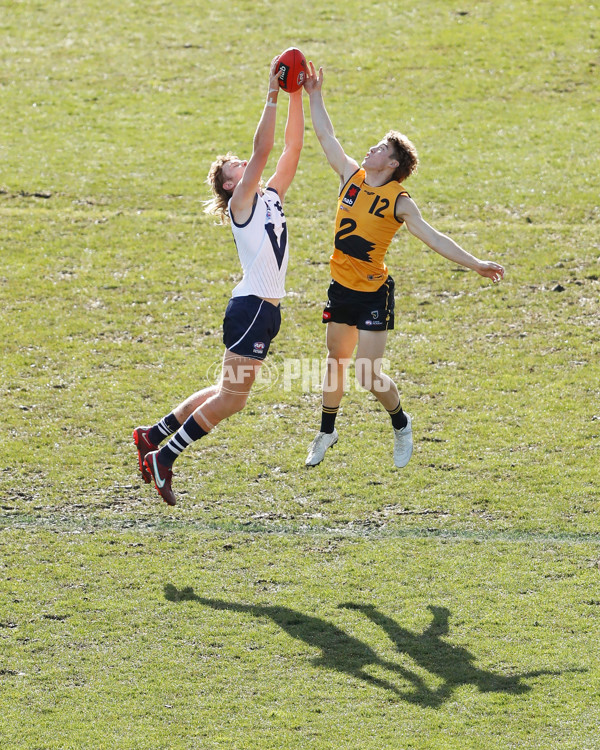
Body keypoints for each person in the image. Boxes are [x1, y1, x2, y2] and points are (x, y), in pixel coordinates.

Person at [303, 61, 505, 468]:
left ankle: (401, 423)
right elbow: (325, 135)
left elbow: (434, 238)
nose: (373, 149)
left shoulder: (399, 201)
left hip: (373, 293)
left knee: (368, 375)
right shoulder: (350, 176)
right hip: (340, 288)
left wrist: (476, 263)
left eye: (381, 148)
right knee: (335, 362)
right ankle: (327, 431)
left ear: (392, 164)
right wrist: (314, 94)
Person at [133, 57, 304, 505]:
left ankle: (155, 434)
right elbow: (266, 150)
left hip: (265, 312)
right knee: (232, 400)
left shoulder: (270, 196)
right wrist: (271, 93)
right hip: (252, 309)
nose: (246, 167)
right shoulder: (243, 202)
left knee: (227, 392)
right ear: (231, 187)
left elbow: (291, 150)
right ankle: (165, 457)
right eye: (236, 170)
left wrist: (297, 96)